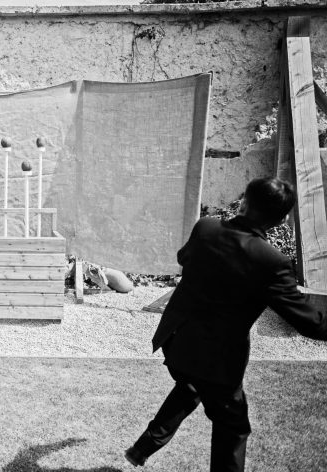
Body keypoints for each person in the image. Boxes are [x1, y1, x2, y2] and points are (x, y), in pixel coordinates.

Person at [125, 177, 327, 471]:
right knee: (233, 428)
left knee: (190, 386)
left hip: (177, 341)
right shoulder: (272, 261)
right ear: (283, 218)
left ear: (244, 200)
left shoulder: (206, 227)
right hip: (217, 362)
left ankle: (142, 448)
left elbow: (184, 257)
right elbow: (308, 322)